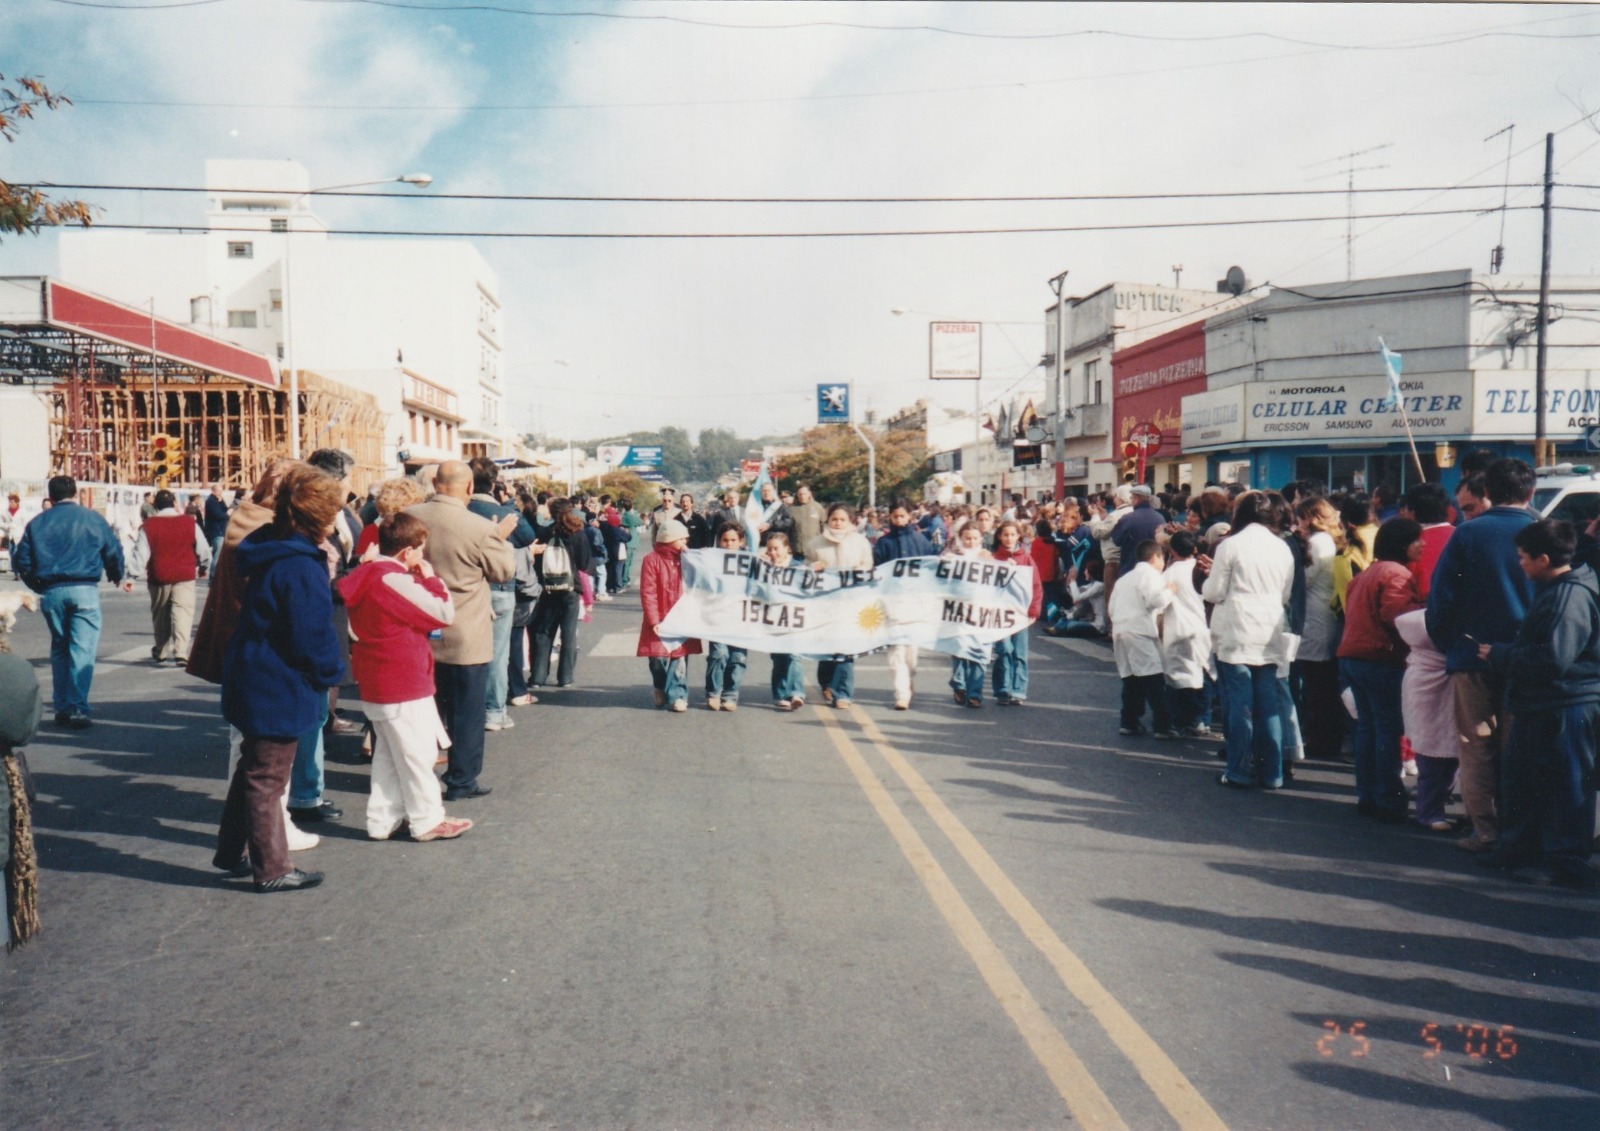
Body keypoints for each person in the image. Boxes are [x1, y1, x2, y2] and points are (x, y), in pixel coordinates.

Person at [213, 465, 347, 893]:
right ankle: (272, 869)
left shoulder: (273, 546)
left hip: (255, 669)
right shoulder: (300, 564)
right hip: (278, 679)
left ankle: (232, 851)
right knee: (267, 776)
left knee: (253, 767)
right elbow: (311, 634)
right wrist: (330, 673)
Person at [1478, 519, 1600, 887]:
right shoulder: (1558, 588)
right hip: (1545, 701)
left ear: (1543, 559)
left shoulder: (1570, 596)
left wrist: (1500, 655)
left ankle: (1565, 861)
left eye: (1523, 558)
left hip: (1567, 701)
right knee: (1525, 779)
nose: (1520, 564)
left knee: (1567, 784)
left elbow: (1553, 659)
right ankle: (1519, 849)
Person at [339, 511, 472, 843]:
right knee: (418, 753)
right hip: (403, 677)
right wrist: (431, 580)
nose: (423, 554)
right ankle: (427, 819)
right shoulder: (393, 578)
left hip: (376, 675)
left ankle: (384, 819)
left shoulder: (366, 573)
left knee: (389, 754)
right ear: (407, 551)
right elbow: (442, 612)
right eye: (420, 548)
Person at [1426, 458, 1537, 854]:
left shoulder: (1468, 534)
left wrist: (1450, 644)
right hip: (1528, 658)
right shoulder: (1544, 532)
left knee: (1475, 746)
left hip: (1471, 655)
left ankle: (1485, 830)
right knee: (1518, 746)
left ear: (1487, 491)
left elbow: (1441, 599)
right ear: (1531, 492)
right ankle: (1517, 828)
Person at [405, 461, 516, 802]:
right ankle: (461, 779)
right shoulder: (479, 528)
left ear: (435, 482)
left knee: (419, 712)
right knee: (466, 712)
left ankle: (413, 779)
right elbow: (503, 571)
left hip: (416, 627)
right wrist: (501, 539)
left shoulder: (407, 518)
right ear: (469, 487)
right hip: (464, 632)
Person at [12, 476, 130, 729]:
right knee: (82, 650)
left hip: (52, 591)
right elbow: (112, 549)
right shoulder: (92, 519)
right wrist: (116, 574)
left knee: (60, 648)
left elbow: (21, 560)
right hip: (84, 588)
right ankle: (77, 706)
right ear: (75, 493)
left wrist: (37, 584)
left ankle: (62, 706)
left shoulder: (37, 522)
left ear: (51, 496)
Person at [1202, 491, 1295, 790]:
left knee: (1240, 703)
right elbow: (1285, 594)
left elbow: (1214, 592)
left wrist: (1206, 582)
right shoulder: (1282, 547)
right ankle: (1273, 773)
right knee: (1268, 704)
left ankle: (1238, 770)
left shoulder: (1230, 545)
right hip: (1269, 628)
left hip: (1235, 629)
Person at [1338, 518, 1427, 823]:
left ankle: (1368, 795)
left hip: (1353, 656)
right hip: (1380, 659)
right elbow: (1397, 615)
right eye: (1416, 539)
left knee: (1368, 728)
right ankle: (1389, 799)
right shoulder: (1397, 574)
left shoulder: (1368, 573)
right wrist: (1425, 609)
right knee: (1388, 730)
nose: (1422, 544)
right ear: (1402, 544)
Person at [466, 457, 537, 733]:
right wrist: (508, 504)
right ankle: (494, 712)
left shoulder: (460, 509)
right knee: (497, 653)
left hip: (462, 588)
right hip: (499, 586)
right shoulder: (503, 512)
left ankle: (463, 710)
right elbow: (527, 537)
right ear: (494, 484)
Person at [129, 488, 212, 666]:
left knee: (161, 613)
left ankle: (161, 650)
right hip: (184, 575)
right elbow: (204, 549)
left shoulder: (149, 526)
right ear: (175, 503)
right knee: (183, 612)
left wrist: (131, 576)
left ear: (156, 506)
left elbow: (140, 553)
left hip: (159, 576)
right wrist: (204, 566)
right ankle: (181, 652)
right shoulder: (189, 522)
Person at [1293, 496, 1346, 761]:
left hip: (1315, 616)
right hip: (1325, 615)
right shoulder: (1331, 540)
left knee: (1317, 685)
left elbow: (1304, 579)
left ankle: (1320, 741)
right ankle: (1325, 738)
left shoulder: (1317, 543)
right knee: (1323, 683)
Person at [807, 502, 875, 708]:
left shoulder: (860, 542)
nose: (838, 523)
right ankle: (826, 682)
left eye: (842, 519)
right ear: (828, 520)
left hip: (850, 603)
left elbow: (868, 565)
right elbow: (804, 568)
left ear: (850, 521)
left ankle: (843, 694)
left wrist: (860, 570)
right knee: (828, 647)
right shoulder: (815, 543)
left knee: (845, 648)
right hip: (825, 603)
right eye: (834, 519)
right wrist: (812, 567)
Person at [1396, 608, 1457, 832]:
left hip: (1430, 687)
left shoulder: (1414, 628)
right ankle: (1429, 812)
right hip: (1436, 691)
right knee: (1435, 759)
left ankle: (1432, 807)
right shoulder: (1438, 628)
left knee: (1442, 757)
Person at [873, 500, 936, 709]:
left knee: (911, 655)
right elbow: (877, 570)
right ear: (890, 517)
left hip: (916, 603)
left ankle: (908, 681)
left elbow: (931, 570)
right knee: (896, 651)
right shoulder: (884, 543)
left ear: (909, 516)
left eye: (902, 516)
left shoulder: (921, 541)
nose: (899, 520)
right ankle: (901, 693)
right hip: (892, 603)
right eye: (895, 516)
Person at [1110, 540, 1174, 737]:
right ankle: (1162, 726)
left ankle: (1129, 721)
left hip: (1120, 629)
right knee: (1153, 677)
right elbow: (1155, 600)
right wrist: (1170, 591)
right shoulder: (1151, 575)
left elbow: (1111, 608)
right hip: (1139, 630)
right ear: (1155, 557)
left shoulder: (1124, 579)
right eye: (1162, 558)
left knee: (1131, 678)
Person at [638, 518, 701, 712]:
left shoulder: (687, 559)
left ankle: (678, 696)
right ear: (669, 539)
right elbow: (648, 592)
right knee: (656, 657)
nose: (685, 542)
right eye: (681, 539)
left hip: (681, 616)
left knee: (679, 656)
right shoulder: (651, 560)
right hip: (659, 617)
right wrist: (653, 620)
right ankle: (659, 685)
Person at [530, 498, 593, 690]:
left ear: (551, 511)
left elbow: (536, 561)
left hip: (548, 588)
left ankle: (538, 676)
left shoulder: (544, 532)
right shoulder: (578, 533)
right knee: (568, 632)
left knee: (543, 631)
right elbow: (584, 563)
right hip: (570, 588)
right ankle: (565, 677)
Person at [1161, 531, 1213, 737]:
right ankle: (1203, 720)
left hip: (1178, 629)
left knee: (1177, 678)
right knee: (1204, 673)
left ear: (1173, 551)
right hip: (1203, 628)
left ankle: (1182, 720)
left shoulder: (1170, 573)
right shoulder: (1202, 569)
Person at [990, 519, 1042, 706]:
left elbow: (1035, 585)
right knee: (1004, 650)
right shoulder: (993, 558)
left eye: (1012, 535)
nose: (1009, 538)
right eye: (1005, 535)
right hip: (999, 613)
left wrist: (1034, 609)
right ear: (999, 536)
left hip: (1020, 613)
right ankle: (1003, 688)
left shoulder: (1026, 558)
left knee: (1020, 652)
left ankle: (1018, 690)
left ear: (1018, 536)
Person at [944, 522, 992, 708]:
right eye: (967, 538)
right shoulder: (952, 556)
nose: (971, 542)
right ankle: (959, 685)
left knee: (979, 651)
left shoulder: (987, 557)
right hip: (958, 610)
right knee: (959, 649)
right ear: (961, 538)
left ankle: (975, 692)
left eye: (974, 538)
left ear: (980, 538)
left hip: (981, 611)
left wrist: (1008, 566)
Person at [704, 523, 750, 712]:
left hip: (741, 618)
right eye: (725, 540)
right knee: (719, 654)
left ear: (741, 542)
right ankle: (714, 692)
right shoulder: (711, 561)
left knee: (738, 657)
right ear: (719, 541)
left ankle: (730, 694)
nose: (729, 544)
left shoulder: (751, 562)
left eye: (733, 540)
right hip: (718, 616)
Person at [762, 532, 807, 710]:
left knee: (794, 655)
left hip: (794, 618)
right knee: (779, 658)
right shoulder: (764, 568)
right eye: (770, 549)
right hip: (774, 619)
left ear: (787, 548)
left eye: (776, 548)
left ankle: (796, 693)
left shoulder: (799, 568)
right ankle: (780, 694)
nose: (773, 553)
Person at [789, 484, 826, 560]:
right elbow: (787, 529)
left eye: (804, 494)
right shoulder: (791, 509)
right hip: (797, 551)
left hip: (815, 549)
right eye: (800, 494)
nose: (802, 496)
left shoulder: (818, 507)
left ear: (809, 494)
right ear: (797, 495)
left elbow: (824, 526)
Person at [202, 484, 231, 569]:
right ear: (213, 491)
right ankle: (213, 574)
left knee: (219, 555)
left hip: (220, 531)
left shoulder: (218, 500)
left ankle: (215, 574)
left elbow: (225, 509)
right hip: (216, 531)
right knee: (217, 556)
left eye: (221, 491)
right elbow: (218, 515)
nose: (220, 493)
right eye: (218, 491)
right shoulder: (211, 501)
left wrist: (221, 502)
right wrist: (227, 514)